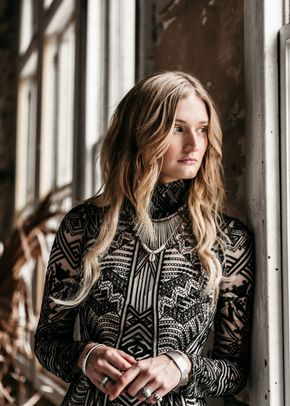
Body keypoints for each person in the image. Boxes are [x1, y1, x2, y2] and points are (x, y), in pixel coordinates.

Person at [34, 71, 254, 406]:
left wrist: (181, 366)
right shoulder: (82, 226)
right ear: (142, 132)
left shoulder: (228, 240)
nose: (195, 144)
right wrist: (86, 355)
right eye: (177, 129)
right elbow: (48, 341)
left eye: (203, 129)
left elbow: (235, 369)